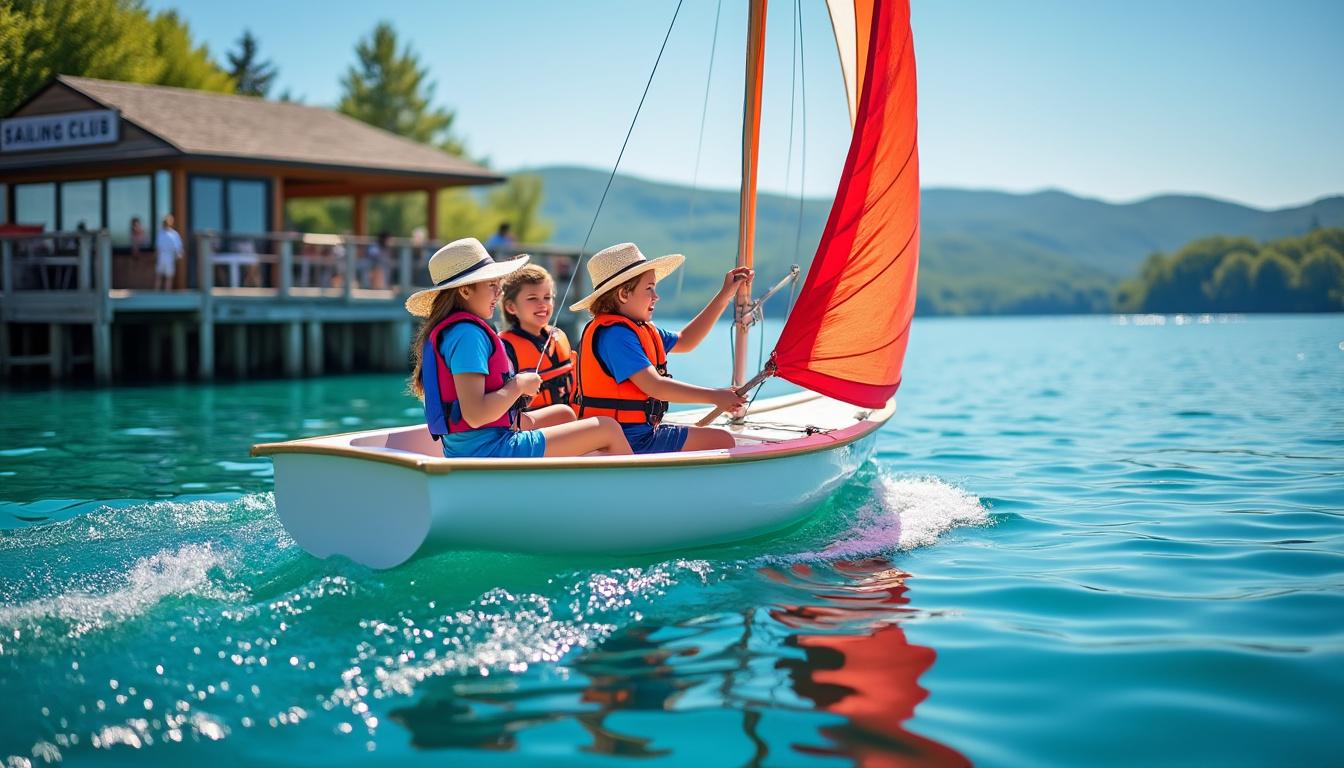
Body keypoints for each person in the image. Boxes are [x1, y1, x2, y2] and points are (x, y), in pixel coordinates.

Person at [406, 237, 631, 459]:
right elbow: (475, 416)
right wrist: (518, 384)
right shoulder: (468, 335)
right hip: (489, 449)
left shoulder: (458, 331)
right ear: (465, 291)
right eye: (492, 285)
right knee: (607, 428)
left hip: (471, 445)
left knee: (564, 414)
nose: (499, 293)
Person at [570, 242, 750, 454]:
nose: (656, 296)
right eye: (649, 288)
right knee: (722, 440)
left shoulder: (639, 330)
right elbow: (654, 386)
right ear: (623, 294)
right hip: (629, 439)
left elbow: (685, 341)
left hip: (638, 433)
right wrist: (714, 396)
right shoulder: (615, 336)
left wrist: (725, 295)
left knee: (718, 438)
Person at [499, 264, 575, 411]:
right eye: (532, 298)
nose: (542, 304)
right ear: (511, 307)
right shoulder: (504, 346)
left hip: (567, 420)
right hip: (530, 426)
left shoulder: (560, 336)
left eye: (547, 297)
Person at [154, 214, 183, 291]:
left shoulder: (162, 233)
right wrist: (178, 256)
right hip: (168, 258)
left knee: (160, 276)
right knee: (167, 277)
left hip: (164, 257)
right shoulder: (173, 234)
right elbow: (178, 249)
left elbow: (158, 248)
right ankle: (166, 294)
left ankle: (159, 294)